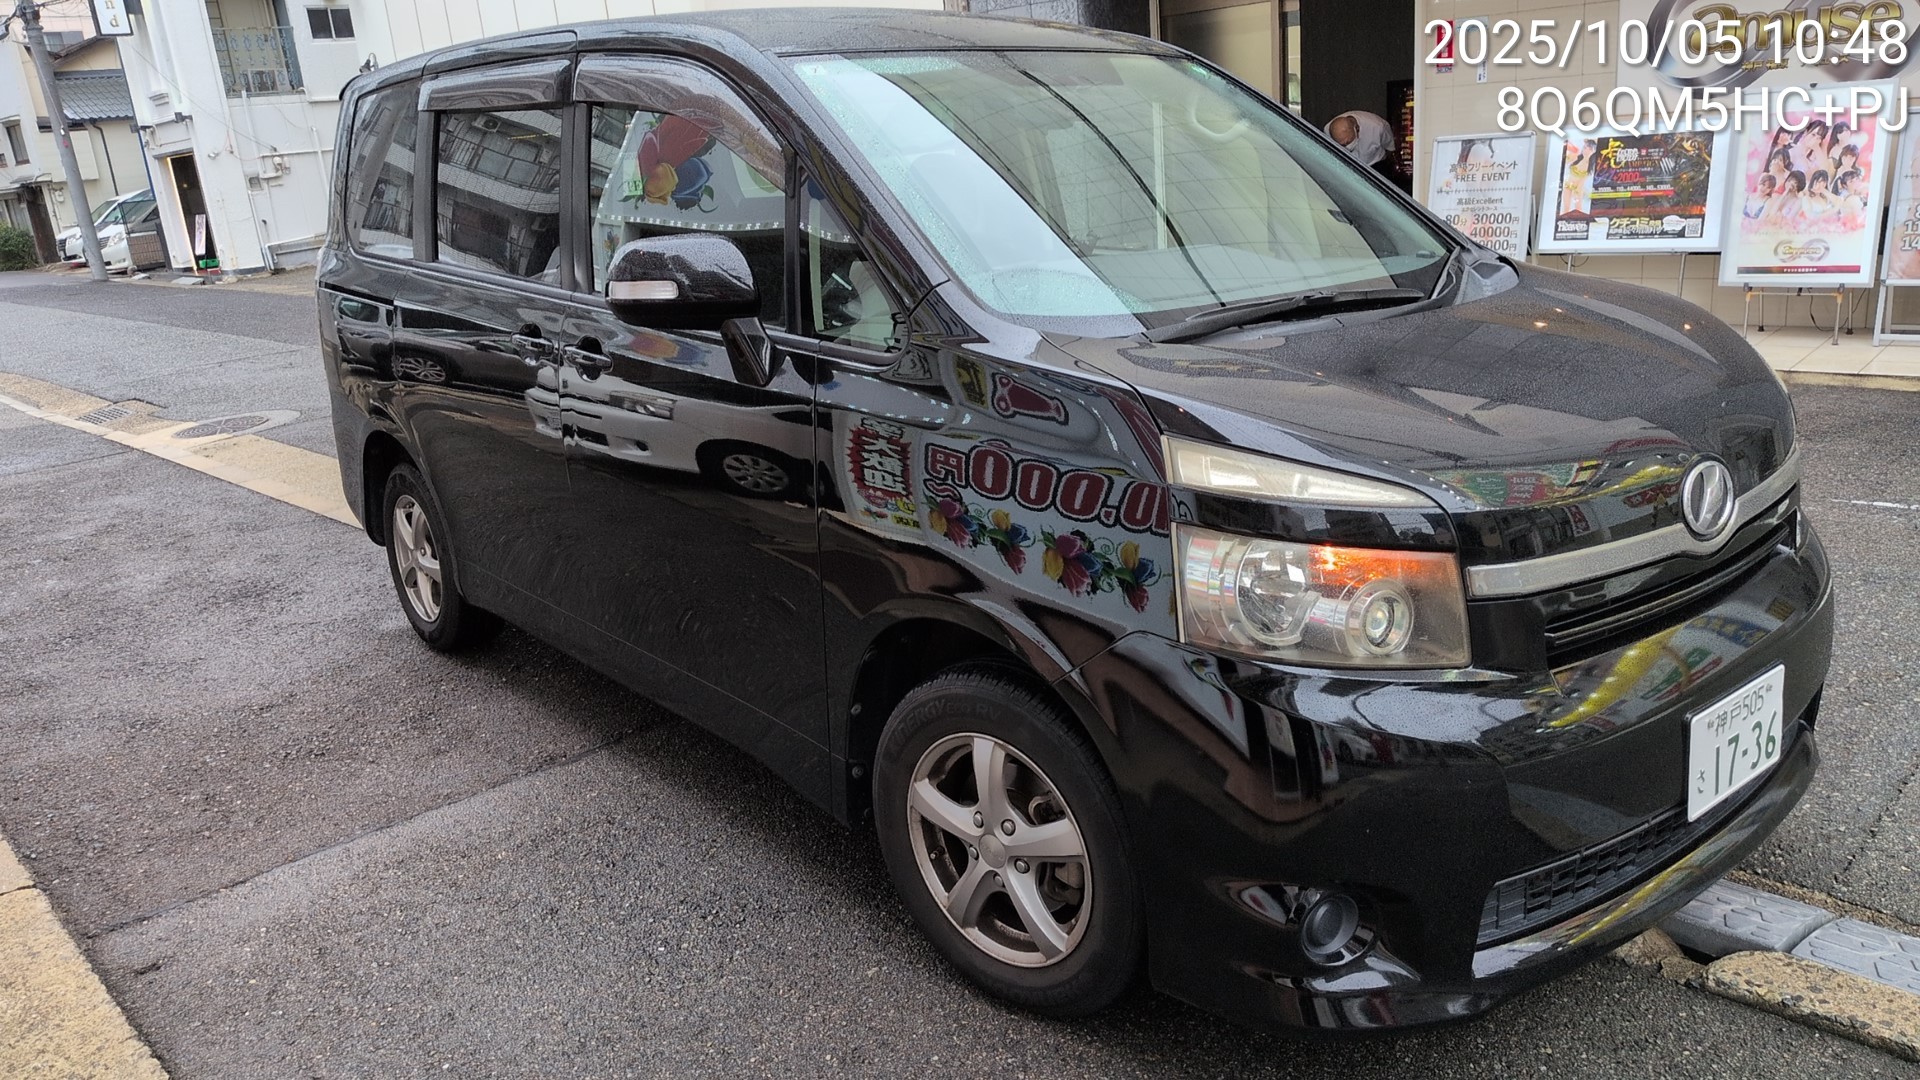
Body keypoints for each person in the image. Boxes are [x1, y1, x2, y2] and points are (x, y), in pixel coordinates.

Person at [1326, 110, 1409, 191]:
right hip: (1348, 167)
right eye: (1342, 145)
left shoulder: (1378, 127)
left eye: (1348, 142)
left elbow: (1390, 147)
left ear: (1356, 128)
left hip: (1375, 166)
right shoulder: (1328, 130)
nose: (1346, 147)